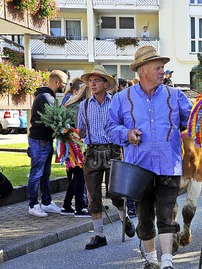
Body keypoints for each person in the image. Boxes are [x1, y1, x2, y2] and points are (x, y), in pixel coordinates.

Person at [106, 46, 191, 269]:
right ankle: (151, 259)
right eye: (158, 68)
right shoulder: (122, 98)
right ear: (142, 70)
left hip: (168, 165)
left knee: (166, 214)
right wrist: (126, 133)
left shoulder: (176, 96)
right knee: (144, 217)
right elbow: (110, 127)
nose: (163, 72)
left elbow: (192, 122)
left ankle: (167, 261)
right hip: (139, 168)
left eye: (163, 67)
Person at [77, 65, 135, 250]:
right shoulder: (84, 105)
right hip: (92, 152)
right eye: (90, 81)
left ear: (105, 83)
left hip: (113, 150)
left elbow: (126, 126)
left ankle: (124, 219)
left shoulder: (116, 103)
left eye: (96, 81)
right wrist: (68, 133)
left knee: (115, 193)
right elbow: (80, 130)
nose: (92, 84)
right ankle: (99, 235)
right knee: (93, 196)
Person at [27, 70, 68, 217]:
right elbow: (56, 118)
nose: (65, 86)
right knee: (36, 174)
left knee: (45, 174)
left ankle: (46, 202)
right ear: (57, 83)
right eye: (64, 83)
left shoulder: (46, 96)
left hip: (44, 141)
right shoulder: (46, 98)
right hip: (40, 141)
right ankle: (33, 205)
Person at [60, 82, 90, 218]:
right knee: (79, 176)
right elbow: (81, 128)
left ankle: (67, 205)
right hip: (76, 145)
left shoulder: (71, 102)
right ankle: (79, 207)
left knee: (75, 176)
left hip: (69, 143)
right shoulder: (81, 105)